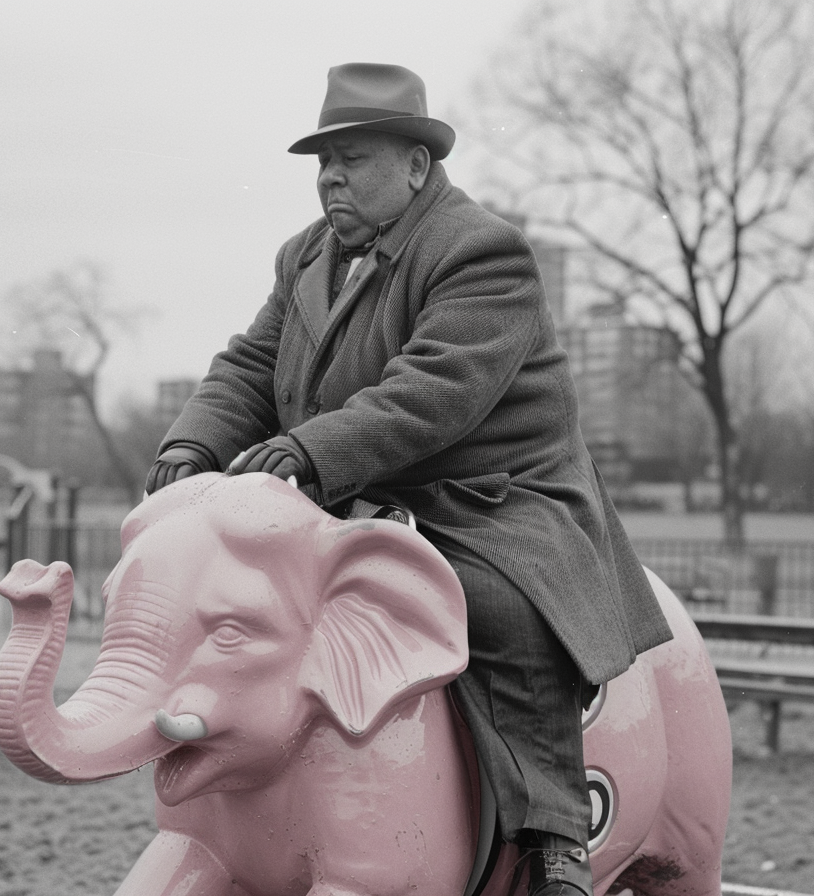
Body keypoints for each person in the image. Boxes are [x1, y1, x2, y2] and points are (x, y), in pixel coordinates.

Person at [145, 63, 673, 896]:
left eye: (351, 158)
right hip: (358, 497)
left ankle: (553, 835)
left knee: (496, 604)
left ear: (418, 166)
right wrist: (192, 447)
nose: (330, 178)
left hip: (489, 499)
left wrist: (309, 452)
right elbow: (249, 365)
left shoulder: (479, 250)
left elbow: (435, 391)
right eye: (322, 163)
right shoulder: (306, 257)